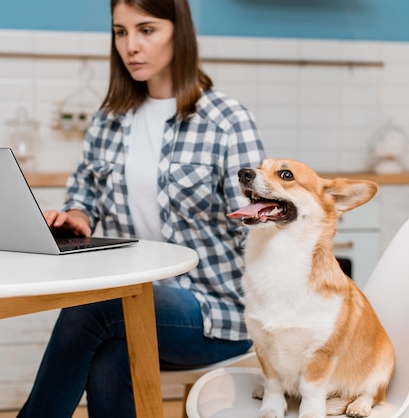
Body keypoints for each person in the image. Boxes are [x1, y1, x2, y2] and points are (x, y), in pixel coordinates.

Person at [18, 0, 266, 416]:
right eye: (120, 32)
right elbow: (84, 195)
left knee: (94, 306)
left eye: (146, 30)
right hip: (133, 304)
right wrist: (76, 217)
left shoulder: (227, 121)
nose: (131, 45)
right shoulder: (109, 119)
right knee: (112, 346)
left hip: (214, 311)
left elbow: (256, 231)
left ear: (178, 32)